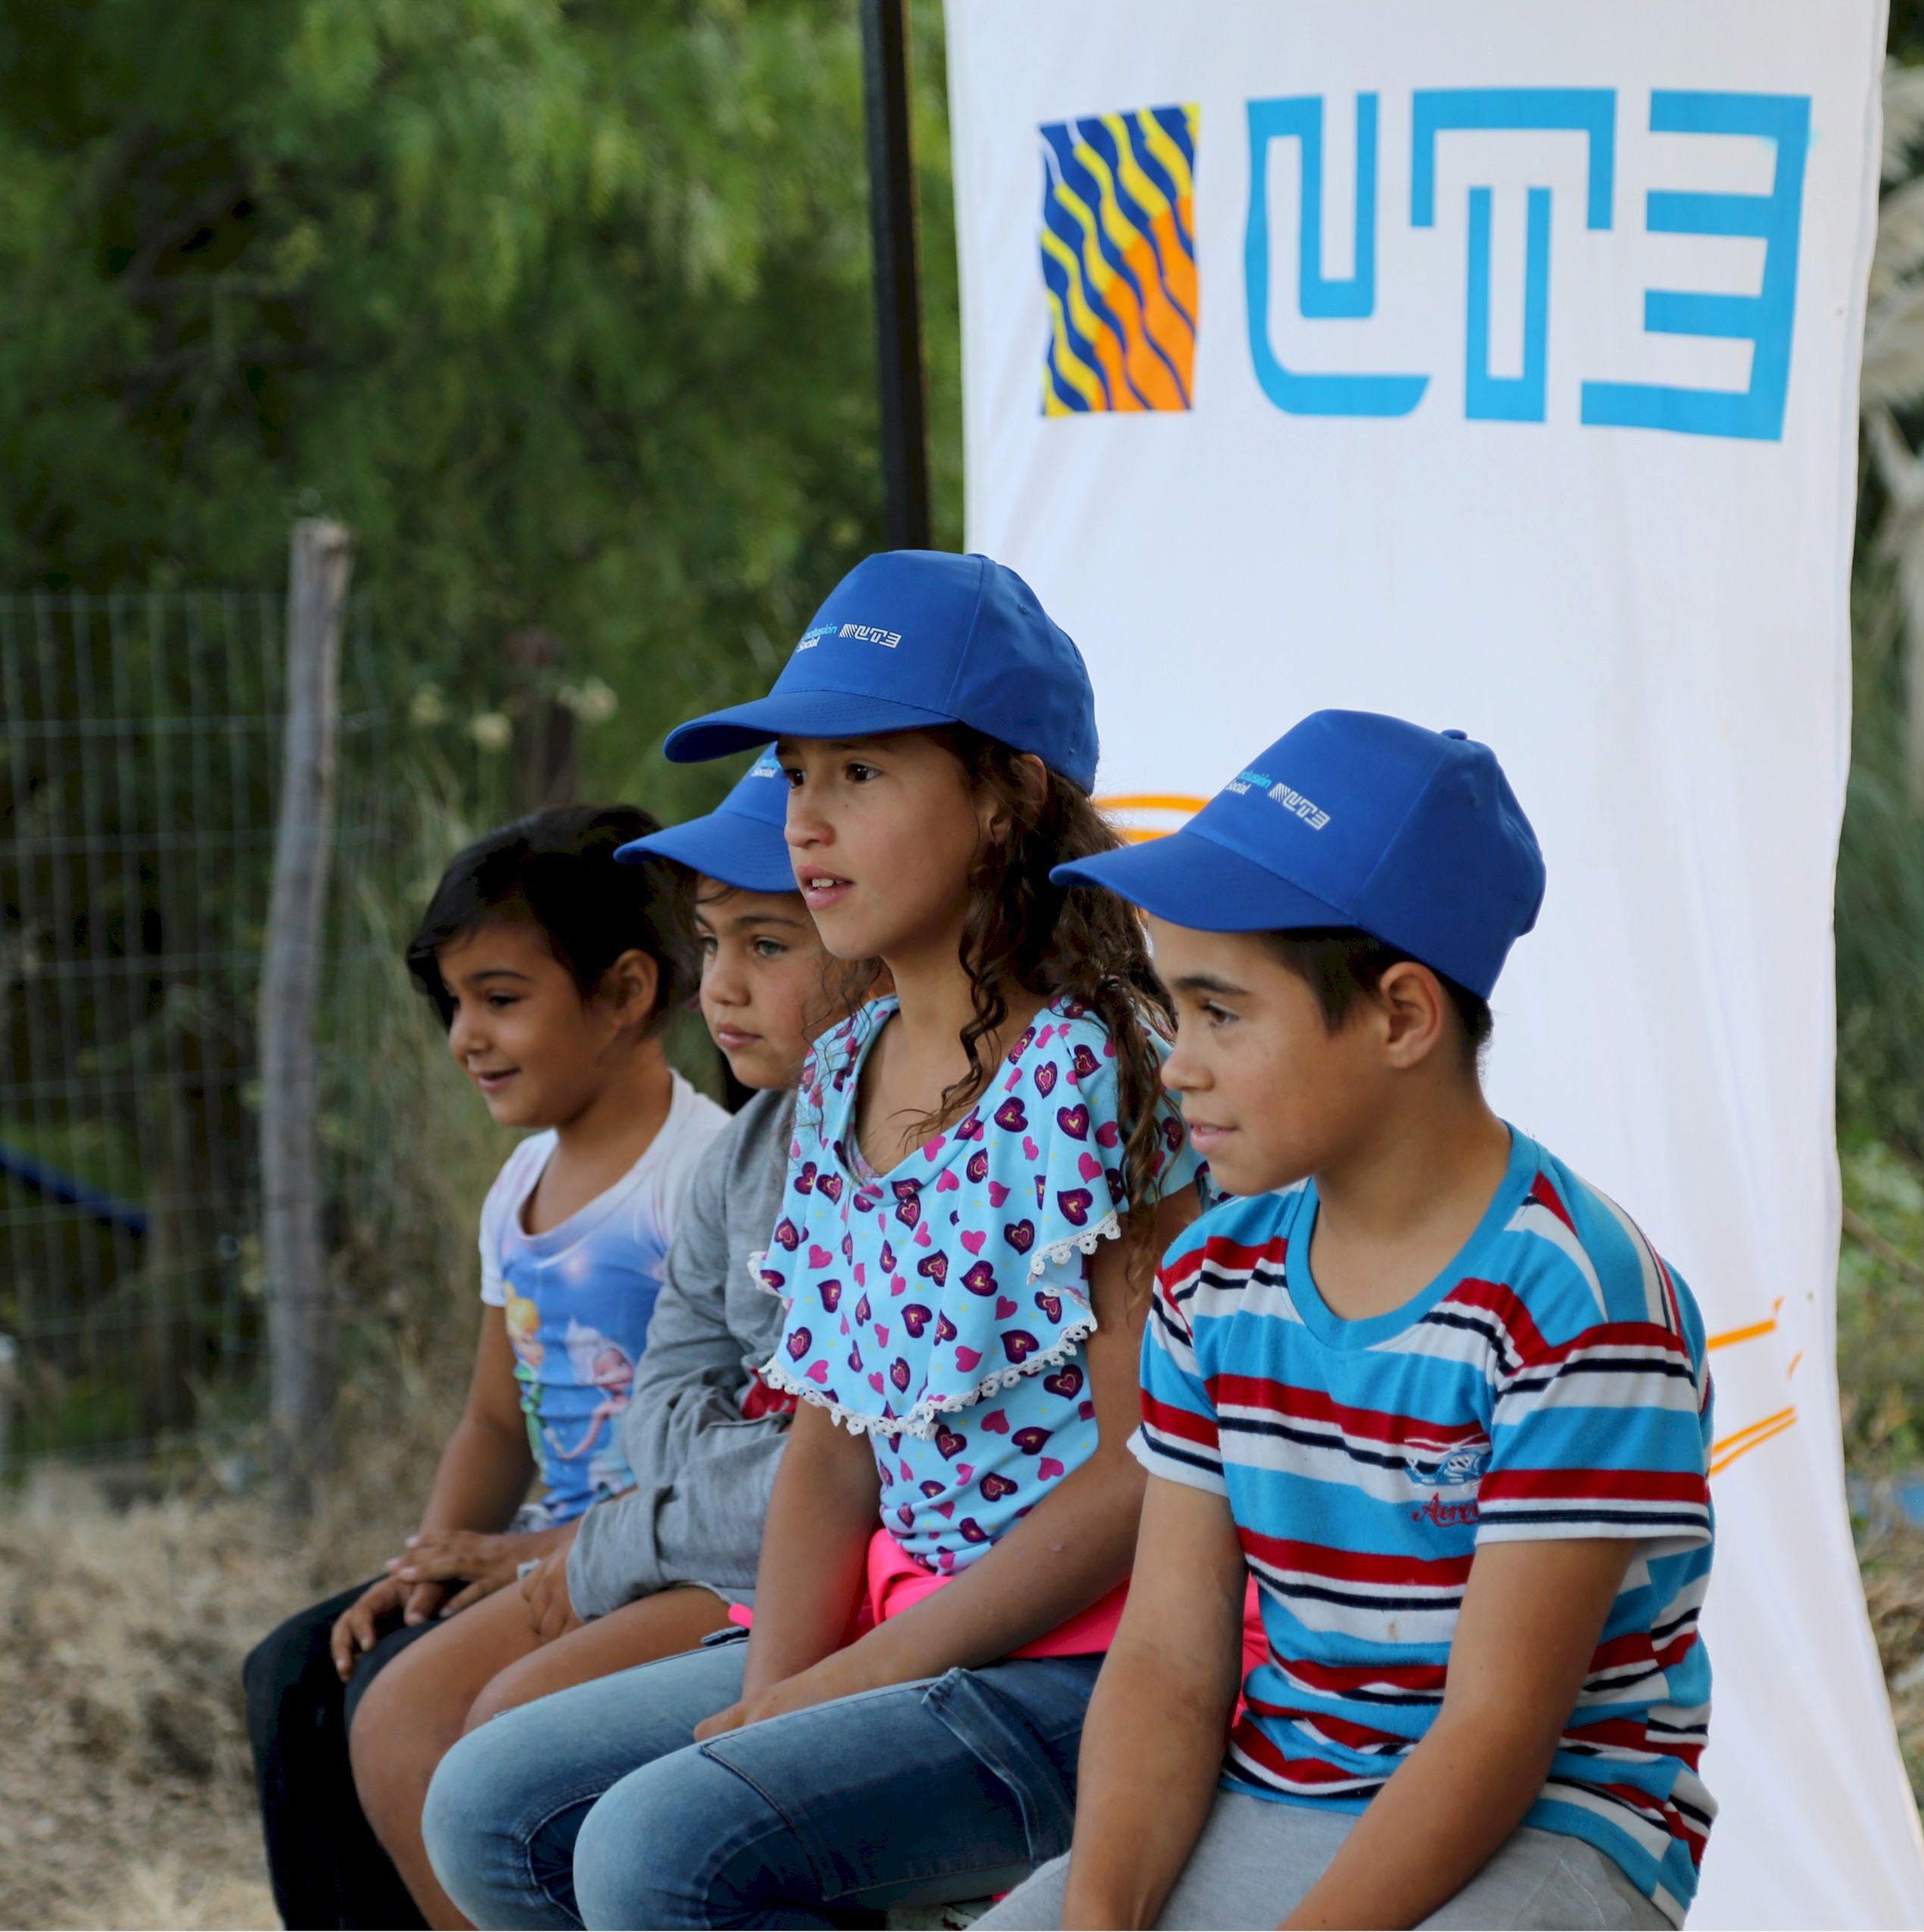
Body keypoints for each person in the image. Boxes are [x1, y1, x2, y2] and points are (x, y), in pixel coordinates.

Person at [422, 549, 1208, 1930]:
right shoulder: (838, 1074)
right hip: (884, 1627)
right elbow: (831, 1447)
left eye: (861, 774)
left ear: (1004, 795)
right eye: (795, 775)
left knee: (656, 1854)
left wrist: (835, 1688)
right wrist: (770, 1694)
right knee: (488, 1805)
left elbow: (1152, 1460)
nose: (806, 823)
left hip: (1080, 1658)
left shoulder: (1098, 1071)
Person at [982, 710, 1718, 1931]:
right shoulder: (1212, 1275)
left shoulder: (1574, 1300)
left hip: (1555, 1822)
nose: (1176, 1063)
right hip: (1278, 1794)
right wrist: (1096, 1919)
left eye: (1220, 1012)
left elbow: (1498, 1728)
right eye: (1175, 1008)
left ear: (1400, 1017)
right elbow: (1168, 1655)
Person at [344, 752, 883, 1925]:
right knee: (347, 1689)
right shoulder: (741, 1161)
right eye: (714, 942)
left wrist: (570, 1556)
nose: (718, 986)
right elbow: (666, 1420)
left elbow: (819, 1470)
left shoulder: (793, 1157)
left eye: (768, 944)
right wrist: (454, 1552)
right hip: (662, 1542)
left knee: (498, 1748)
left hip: (729, 1569)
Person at [243, 803, 728, 1930]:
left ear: (624, 991)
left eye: (501, 999)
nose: (466, 1035)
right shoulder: (514, 1191)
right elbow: (492, 1424)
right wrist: (425, 1562)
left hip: (651, 1558)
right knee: (296, 1674)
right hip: (530, 1549)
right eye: (455, 1003)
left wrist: (525, 1556)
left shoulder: (697, 1179)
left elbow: (725, 1458)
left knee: (404, 1711)